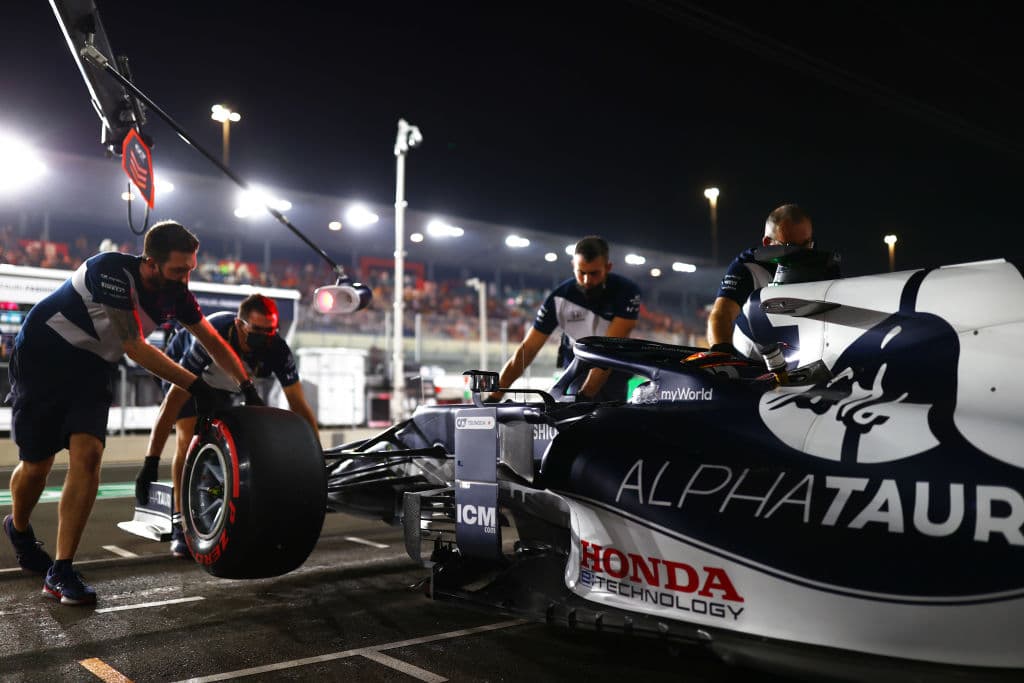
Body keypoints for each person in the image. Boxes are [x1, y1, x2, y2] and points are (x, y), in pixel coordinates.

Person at [3, 220, 257, 605]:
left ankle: (62, 569)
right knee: (37, 465)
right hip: (44, 356)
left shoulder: (178, 293)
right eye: (178, 269)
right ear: (150, 263)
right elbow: (135, 347)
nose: (185, 277)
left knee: (88, 457)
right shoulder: (110, 271)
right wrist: (196, 385)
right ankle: (18, 529)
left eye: (190, 268)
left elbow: (212, 339)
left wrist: (247, 386)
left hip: (92, 368)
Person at [136, 294, 319, 558]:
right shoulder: (212, 335)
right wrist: (150, 461)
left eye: (272, 331)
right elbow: (171, 405)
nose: (266, 337)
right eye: (258, 331)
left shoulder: (276, 348)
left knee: (228, 438)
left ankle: (210, 497)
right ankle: (180, 523)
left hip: (225, 386)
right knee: (188, 438)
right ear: (240, 324)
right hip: (185, 374)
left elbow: (298, 404)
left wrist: (315, 453)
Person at [493, 236, 641, 402]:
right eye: (581, 272)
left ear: (608, 267)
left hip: (612, 372)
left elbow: (607, 351)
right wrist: (494, 395)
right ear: (573, 266)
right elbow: (527, 349)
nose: (587, 280)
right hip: (576, 370)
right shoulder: (559, 298)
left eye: (594, 273)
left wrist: (584, 396)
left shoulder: (627, 292)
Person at [706, 204, 814, 354]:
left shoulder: (820, 263)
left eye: (806, 244)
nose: (801, 254)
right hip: (752, 362)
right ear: (767, 243)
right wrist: (722, 354)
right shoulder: (748, 266)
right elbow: (721, 315)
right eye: (791, 247)